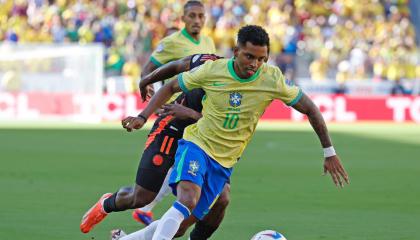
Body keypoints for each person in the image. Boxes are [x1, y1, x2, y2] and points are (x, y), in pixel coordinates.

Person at [120, 25, 350, 240]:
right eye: (249, 56)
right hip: (197, 145)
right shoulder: (213, 70)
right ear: (236, 51)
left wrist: (329, 151)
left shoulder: (272, 79)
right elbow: (171, 85)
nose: (255, 64)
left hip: (224, 161)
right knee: (186, 199)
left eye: (262, 59)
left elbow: (310, 108)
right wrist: (142, 116)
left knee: (180, 226)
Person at [80, 54, 228, 240]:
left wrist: (191, 113)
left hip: (204, 142)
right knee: (142, 197)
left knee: (218, 200)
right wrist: (147, 82)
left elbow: (225, 126)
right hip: (172, 131)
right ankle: (106, 204)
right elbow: (176, 66)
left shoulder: (247, 90)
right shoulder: (210, 61)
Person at [141, 0, 216, 100]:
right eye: (192, 16)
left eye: (201, 16)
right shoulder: (171, 41)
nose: (197, 20)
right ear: (183, 18)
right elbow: (147, 69)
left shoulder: (209, 41)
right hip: (176, 104)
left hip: (202, 104)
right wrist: (151, 93)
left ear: (205, 19)